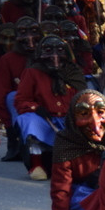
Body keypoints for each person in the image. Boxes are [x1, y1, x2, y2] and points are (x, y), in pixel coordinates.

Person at [14, 35, 89, 180]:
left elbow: (84, 98)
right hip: (46, 119)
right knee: (28, 121)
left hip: (70, 119)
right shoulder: (32, 72)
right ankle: (37, 164)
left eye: (59, 52)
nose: (55, 58)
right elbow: (21, 100)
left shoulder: (74, 73)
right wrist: (36, 108)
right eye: (49, 52)